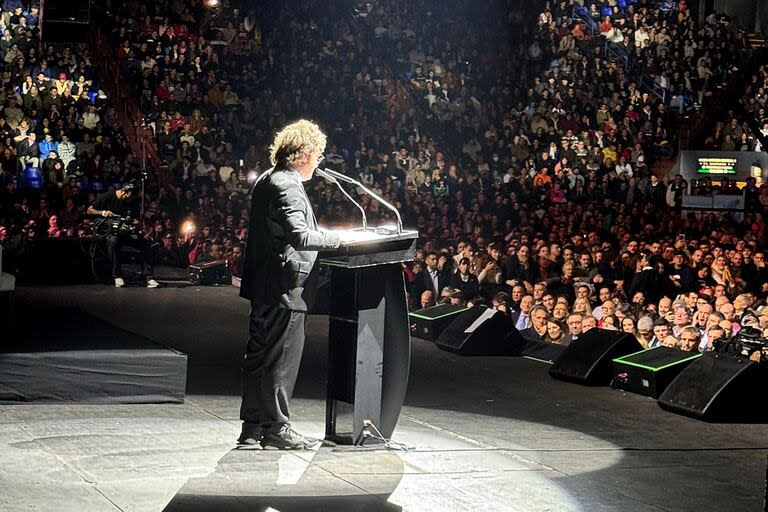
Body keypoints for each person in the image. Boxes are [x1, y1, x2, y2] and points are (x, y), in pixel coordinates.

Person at [237, 119, 344, 450]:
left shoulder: (270, 179)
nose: (319, 161)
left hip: (265, 284)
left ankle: (253, 428)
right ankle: (277, 428)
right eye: (318, 154)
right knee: (280, 358)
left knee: (260, 357)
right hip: (284, 287)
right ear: (305, 153)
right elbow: (300, 235)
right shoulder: (288, 183)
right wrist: (338, 239)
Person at [86, 181, 158, 288]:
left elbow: (134, 219)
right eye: (129, 197)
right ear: (124, 192)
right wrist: (102, 213)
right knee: (113, 241)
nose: (130, 200)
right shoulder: (107, 196)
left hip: (126, 231)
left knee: (146, 244)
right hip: (111, 231)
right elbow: (89, 210)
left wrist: (135, 223)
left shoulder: (132, 202)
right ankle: (117, 275)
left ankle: (149, 277)